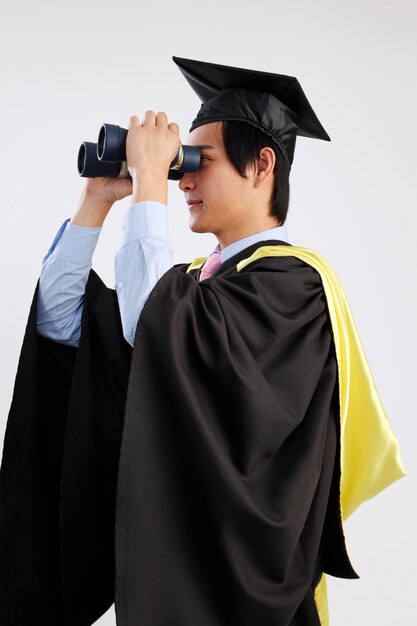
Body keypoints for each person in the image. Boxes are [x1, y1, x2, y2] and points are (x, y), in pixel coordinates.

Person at [0, 57, 405, 626]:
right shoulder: (189, 287)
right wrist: (97, 200)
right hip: (173, 569)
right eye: (178, 165)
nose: (182, 179)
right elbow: (60, 326)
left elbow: (157, 329)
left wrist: (149, 188)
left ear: (262, 165)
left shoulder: (295, 288)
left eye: (197, 161)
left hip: (239, 593)